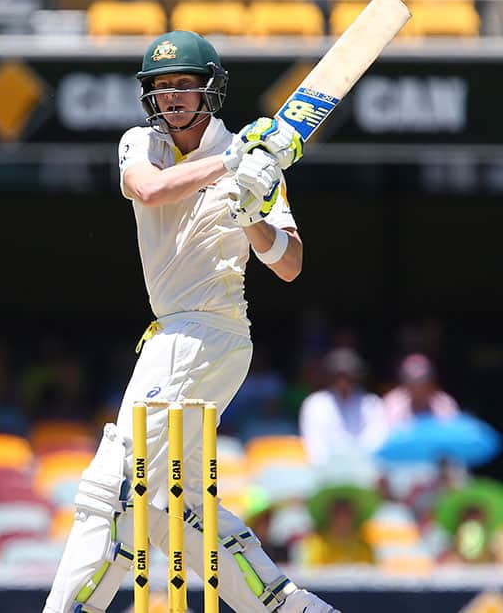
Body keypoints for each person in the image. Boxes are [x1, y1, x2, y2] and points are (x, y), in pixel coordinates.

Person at [44, 30, 338, 613]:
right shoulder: (145, 145)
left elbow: (290, 264)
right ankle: (289, 607)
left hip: (211, 328)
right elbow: (148, 192)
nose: (171, 96)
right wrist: (228, 166)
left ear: (210, 90)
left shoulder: (256, 164)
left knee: (111, 486)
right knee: (164, 512)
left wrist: (253, 215)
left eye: (183, 84)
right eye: (160, 86)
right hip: (171, 331)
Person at [298, 347, 388, 465]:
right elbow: (314, 445)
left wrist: (356, 462)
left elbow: (376, 440)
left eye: (349, 375)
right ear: (330, 376)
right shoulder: (315, 404)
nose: (344, 380)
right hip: (325, 470)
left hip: (364, 468)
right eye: (339, 375)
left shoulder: (372, 403)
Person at [298, 484, 379, 567]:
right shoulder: (315, 545)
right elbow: (309, 575)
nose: (342, 517)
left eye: (347, 512)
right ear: (328, 516)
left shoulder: (365, 548)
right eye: (337, 512)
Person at [383, 353, 459, 429]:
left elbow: (453, 431)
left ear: (431, 383)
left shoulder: (444, 403)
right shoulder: (393, 403)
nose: (418, 389)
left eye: (422, 382)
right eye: (412, 382)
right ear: (404, 383)